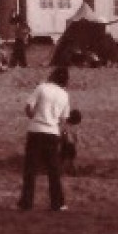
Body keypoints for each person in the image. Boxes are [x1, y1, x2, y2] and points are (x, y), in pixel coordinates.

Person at [19, 66, 72, 212]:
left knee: (30, 169)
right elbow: (63, 119)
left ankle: (26, 203)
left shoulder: (42, 87)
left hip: (36, 130)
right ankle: (58, 203)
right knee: (53, 170)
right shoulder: (64, 95)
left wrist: (34, 118)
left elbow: (28, 107)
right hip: (52, 132)